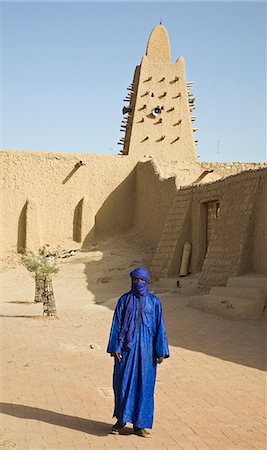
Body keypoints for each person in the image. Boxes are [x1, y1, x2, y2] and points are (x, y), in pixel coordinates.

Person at [107, 267, 169, 438]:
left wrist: (160, 351)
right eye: (135, 281)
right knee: (122, 385)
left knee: (144, 387)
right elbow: (117, 325)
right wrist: (115, 348)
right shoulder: (124, 301)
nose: (138, 284)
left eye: (141, 281)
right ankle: (121, 420)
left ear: (146, 282)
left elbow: (159, 328)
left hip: (147, 353)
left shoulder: (155, 302)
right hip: (126, 351)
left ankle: (140, 425)